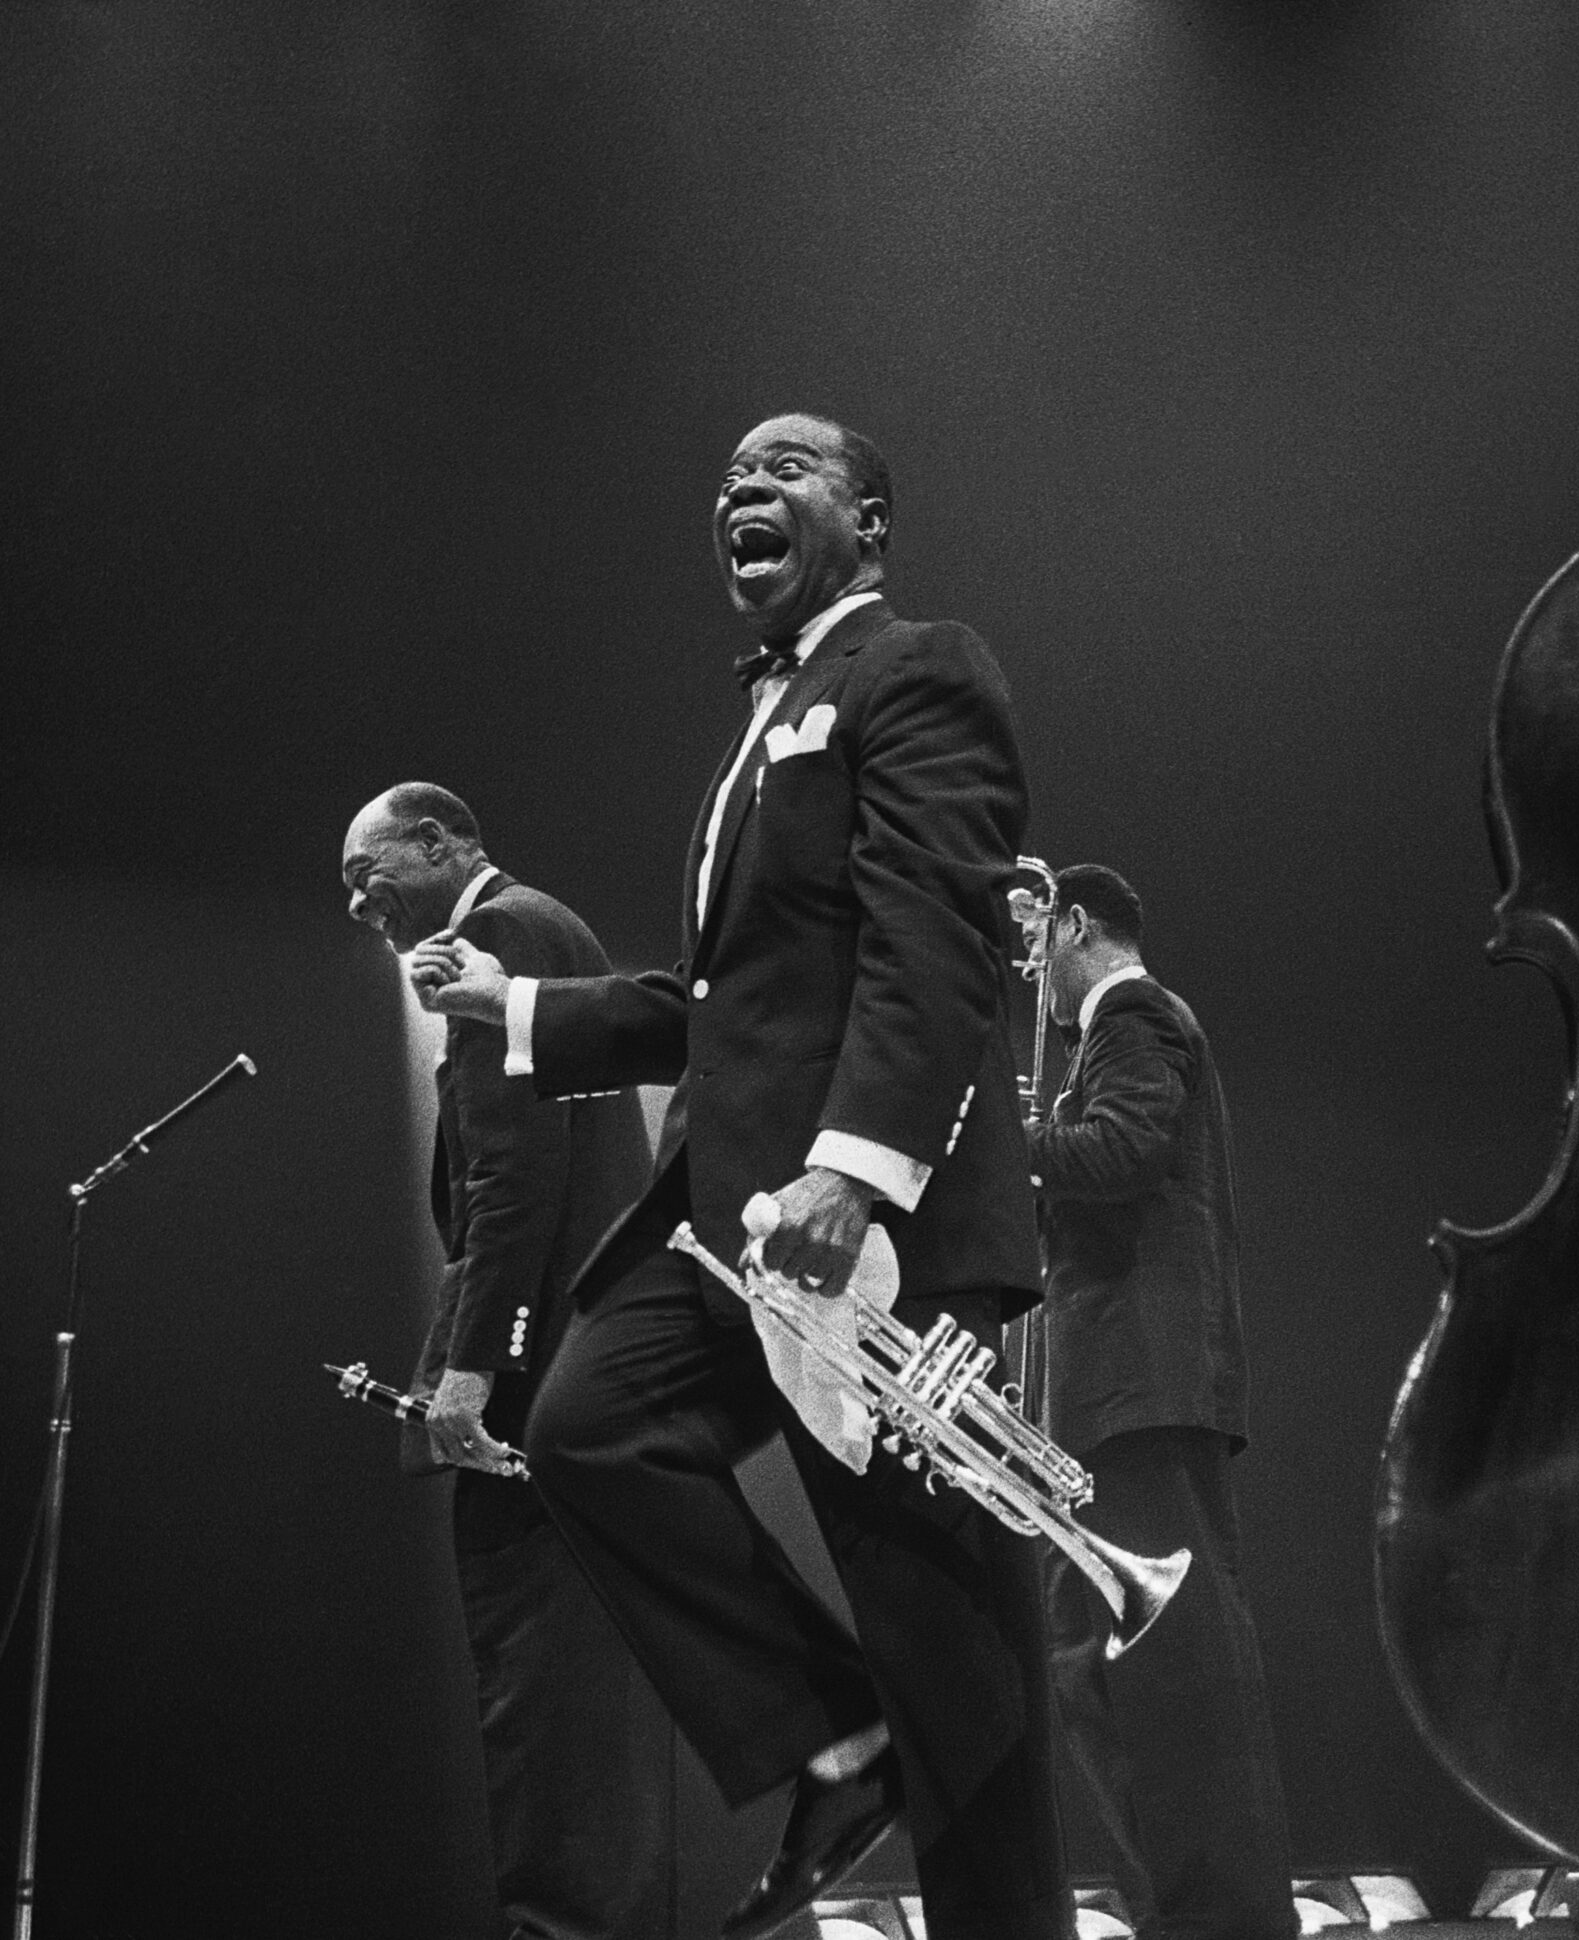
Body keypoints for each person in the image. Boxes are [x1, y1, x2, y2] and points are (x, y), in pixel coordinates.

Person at [412, 414, 1068, 1940]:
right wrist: (510, 1009)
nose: (741, 489)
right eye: (725, 478)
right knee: (585, 1424)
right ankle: (834, 1744)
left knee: (954, 1655)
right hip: (731, 1227)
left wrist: (856, 1173)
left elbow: (934, 938)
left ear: (872, 520)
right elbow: (728, 1006)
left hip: (874, 1232)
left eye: (784, 467)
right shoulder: (766, 726)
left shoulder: (919, 668)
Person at [339, 782, 672, 1940]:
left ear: (438, 843)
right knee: (587, 1699)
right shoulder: (544, 927)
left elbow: (513, 1177)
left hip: (535, 1391)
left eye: (367, 869)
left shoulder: (502, 933)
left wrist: (472, 1368)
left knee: (545, 1694)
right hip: (590, 1374)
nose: (355, 902)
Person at [1019, 865, 1294, 1940]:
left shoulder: (1129, 1009)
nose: (1033, 969)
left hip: (1135, 1384)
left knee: (1159, 1674)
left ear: (1075, 923)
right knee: (1090, 1655)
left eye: (1040, 940)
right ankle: (1187, 1909)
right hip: (1129, 1385)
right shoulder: (1132, 1021)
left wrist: (1008, 1140)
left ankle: (1215, 1917)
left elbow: (1124, 1152)